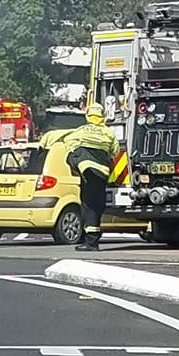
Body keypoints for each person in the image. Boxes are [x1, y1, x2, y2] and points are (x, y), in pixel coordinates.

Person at [64, 104, 120, 252]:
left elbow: (69, 143)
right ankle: (91, 239)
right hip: (102, 174)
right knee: (96, 205)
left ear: (88, 116)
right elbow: (115, 150)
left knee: (89, 206)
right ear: (102, 116)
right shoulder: (108, 132)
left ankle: (91, 242)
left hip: (87, 173)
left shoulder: (81, 130)